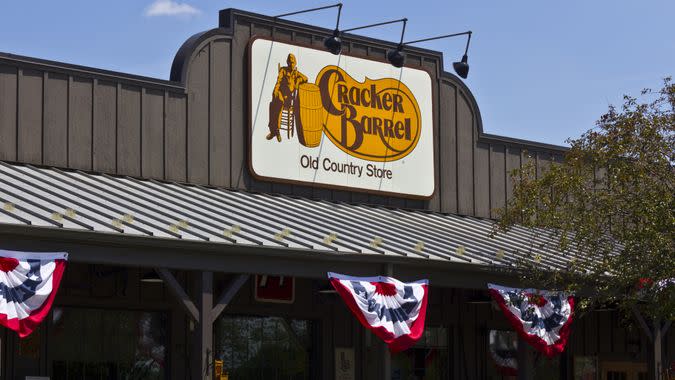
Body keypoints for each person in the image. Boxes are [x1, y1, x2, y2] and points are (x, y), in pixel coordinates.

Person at [267, 53, 308, 141]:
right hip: (280, 94)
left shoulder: (296, 73)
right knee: (273, 104)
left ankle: (275, 131)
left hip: (289, 99)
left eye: (293, 63)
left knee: (277, 104)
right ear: (287, 62)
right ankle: (274, 130)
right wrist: (275, 91)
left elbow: (305, 78)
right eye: (289, 62)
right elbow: (278, 81)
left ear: (295, 63)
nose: (291, 64)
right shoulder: (283, 70)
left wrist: (298, 81)